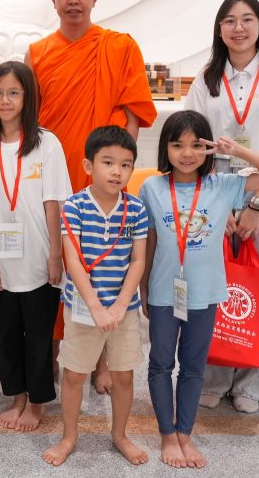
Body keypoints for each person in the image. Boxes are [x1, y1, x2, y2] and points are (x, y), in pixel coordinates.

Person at [26, 0, 157, 394]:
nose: (73, 0)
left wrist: (118, 166)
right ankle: (55, 355)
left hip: (104, 179)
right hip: (54, 176)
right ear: (53, 0)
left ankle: (102, 361)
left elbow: (133, 111)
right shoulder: (38, 52)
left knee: (104, 266)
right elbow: (31, 120)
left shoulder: (119, 47)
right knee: (55, 265)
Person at [138, 110, 259, 469]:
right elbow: (150, 242)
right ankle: (167, 434)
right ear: (165, 148)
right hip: (163, 293)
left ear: (208, 149)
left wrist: (237, 150)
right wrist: (144, 289)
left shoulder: (223, 185)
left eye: (196, 145)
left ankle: (185, 434)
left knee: (193, 367)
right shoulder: (152, 188)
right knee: (160, 364)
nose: (186, 153)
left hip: (205, 295)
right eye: (177, 145)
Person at [183, 0, 259, 414]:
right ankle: (214, 375)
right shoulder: (205, 81)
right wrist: (218, 206)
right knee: (211, 285)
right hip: (215, 192)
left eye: (247, 19)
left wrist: (255, 205)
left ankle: (257, 381)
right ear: (219, 30)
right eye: (230, 20)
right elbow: (193, 144)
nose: (239, 28)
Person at [43, 126, 149, 467]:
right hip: (83, 308)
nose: (117, 171)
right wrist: (95, 307)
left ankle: (119, 435)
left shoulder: (136, 209)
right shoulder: (74, 207)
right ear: (89, 166)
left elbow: (138, 260)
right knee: (74, 374)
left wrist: (119, 305)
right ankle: (69, 437)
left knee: (123, 375)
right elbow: (72, 261)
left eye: (125, 164)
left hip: (124, 310)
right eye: (108, 162)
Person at [0, 61, 70, 431]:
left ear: (28, 97)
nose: (5, 100)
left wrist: (55, 255)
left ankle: (37, 402)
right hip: (2, 259)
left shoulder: (47, 144)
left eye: (13, 93)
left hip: (39, 258)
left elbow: (53, 204)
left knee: (39, 335)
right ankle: (16, 397)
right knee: (6, 335)